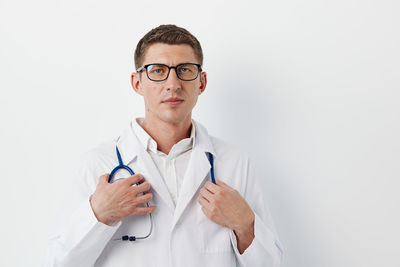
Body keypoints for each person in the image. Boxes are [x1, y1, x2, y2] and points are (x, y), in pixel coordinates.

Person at [42, 24, 283, 267]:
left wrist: (244, 223)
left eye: (185, 70)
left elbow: (270, 264)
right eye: (158, 71)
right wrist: (98, 215)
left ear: (202, 82)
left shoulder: (234, 163)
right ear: (137, 83)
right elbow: (56, 263)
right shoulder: (97, 164)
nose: (173, 84)